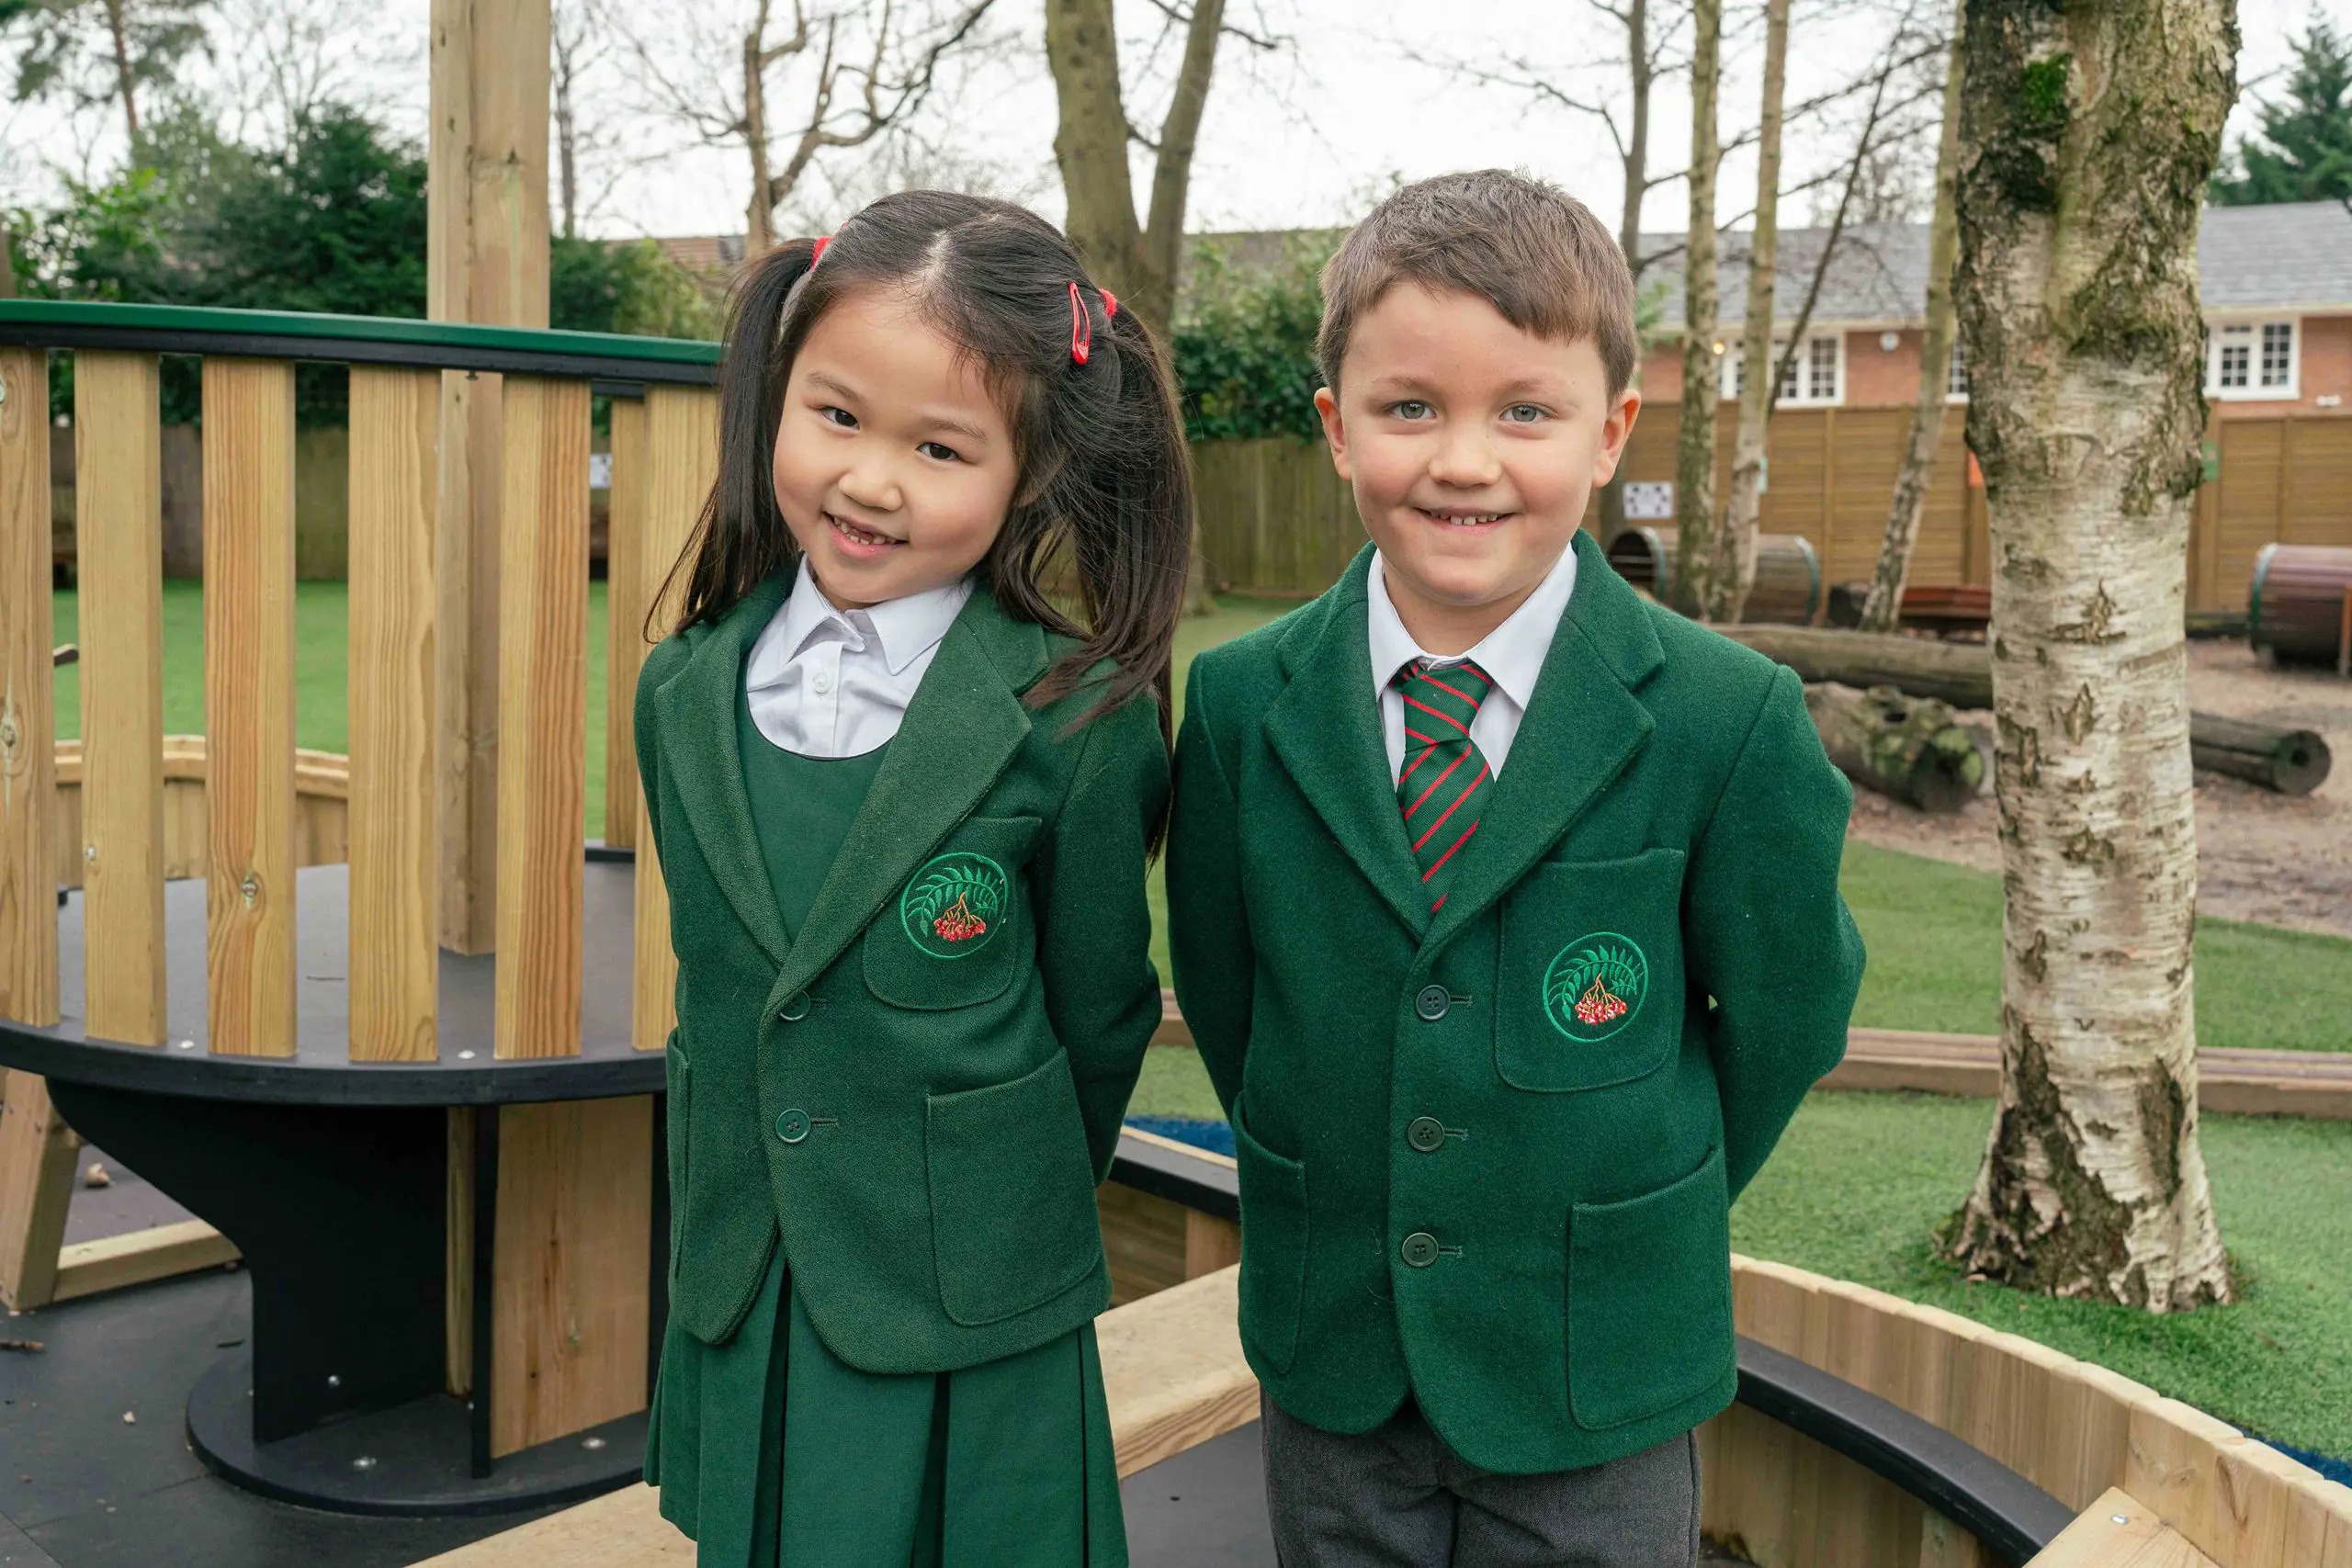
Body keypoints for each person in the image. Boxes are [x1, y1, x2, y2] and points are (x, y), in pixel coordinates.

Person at [1167, 169, 1867, 1567]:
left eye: (1525, 411)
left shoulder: (1726, 718)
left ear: (1609, 434)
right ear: (1336, 430)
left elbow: (1787, 1018)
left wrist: (1627, 1190)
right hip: (1336, 1356)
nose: (1465, 460)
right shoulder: (1243, 705)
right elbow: (1234, 996)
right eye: (1410, 407)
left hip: (1594, 1359)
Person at [635, 190, 1189, 1567]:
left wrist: (985, 1197)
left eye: (940, 446)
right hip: (749, 1264)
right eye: (836, 417)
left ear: (1027, 476)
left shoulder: (1079, 718)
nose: (871, 480)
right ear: (778, 396)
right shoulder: (682, 689)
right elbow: (727, 975)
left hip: (971, 1292)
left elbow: (1100, 1010)